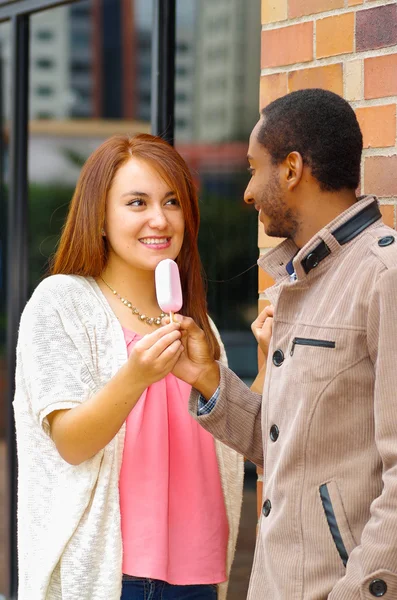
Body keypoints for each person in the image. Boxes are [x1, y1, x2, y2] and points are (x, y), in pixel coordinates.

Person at [170, 89, 397, 599]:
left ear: (292, 168)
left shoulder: (384, 277)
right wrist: (207, 377)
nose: (247, 192)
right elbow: (285, 446)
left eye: (253, 168)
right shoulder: (302, 280)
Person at [13, 133, 246, 600]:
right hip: (110, 576)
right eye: (137, 202)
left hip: (199, 574)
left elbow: (237, 441)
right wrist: (137, 374)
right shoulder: (62, 303)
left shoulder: (201, 327)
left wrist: (241, 368)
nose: (159, 219)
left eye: (172, 201)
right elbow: (71, 443)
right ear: (100, 218)